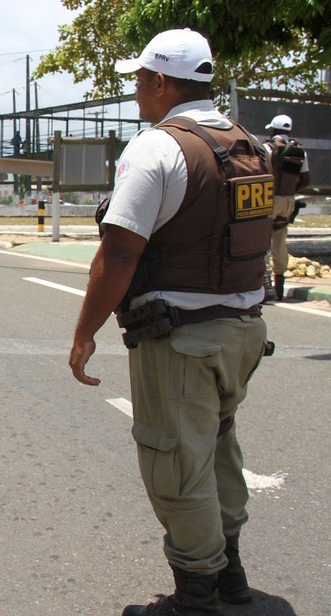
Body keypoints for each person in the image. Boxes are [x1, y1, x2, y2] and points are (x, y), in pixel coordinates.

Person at [68, 29, 271, 616]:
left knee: (175, 463)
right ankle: (230, 576)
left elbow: (121, 252)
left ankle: (196, 598)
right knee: (218, 450)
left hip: (182, 340)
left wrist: (85, 332)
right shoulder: (245, 142)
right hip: (243, 332)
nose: (135, 92)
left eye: (138, 81)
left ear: (160, 82)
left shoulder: (157, 148)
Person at [263, 114, 309, 301]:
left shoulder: (267, 148)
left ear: (273, 130)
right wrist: (289, 192)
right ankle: (280, 283)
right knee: (280, 240)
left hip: (269, 200)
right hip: (288, 201)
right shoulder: (300, 151)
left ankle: (266, 286)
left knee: (264, 240)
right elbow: (306, 180)